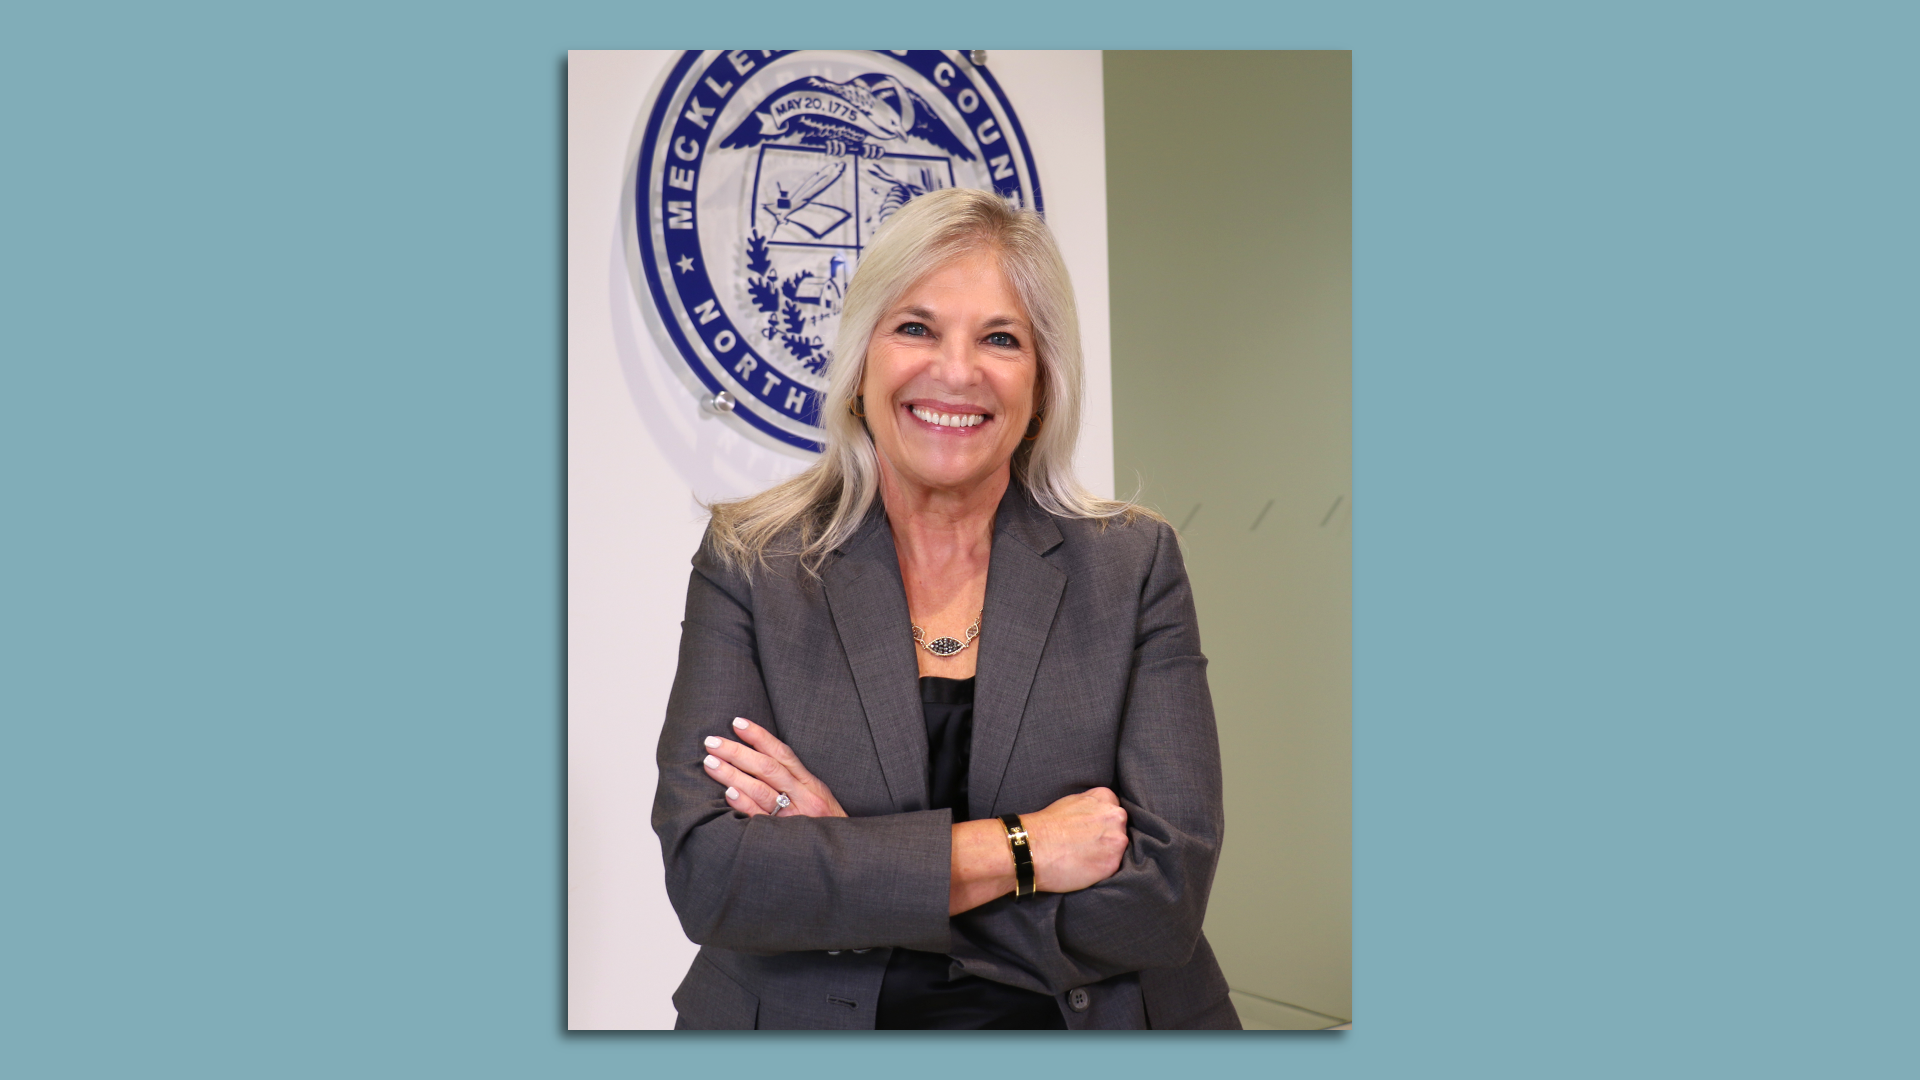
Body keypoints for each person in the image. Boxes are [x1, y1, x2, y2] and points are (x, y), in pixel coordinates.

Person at [652, 187, 1236, 1030]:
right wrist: (1024, 849)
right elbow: (712, 876)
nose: (957, 371)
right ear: (861, 365)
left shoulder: (1131, 565)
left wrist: (854, 868)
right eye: (916, 328)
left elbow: (1163, 899)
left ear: (1042, 385)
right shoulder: (752, 561)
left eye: (1000, 339)